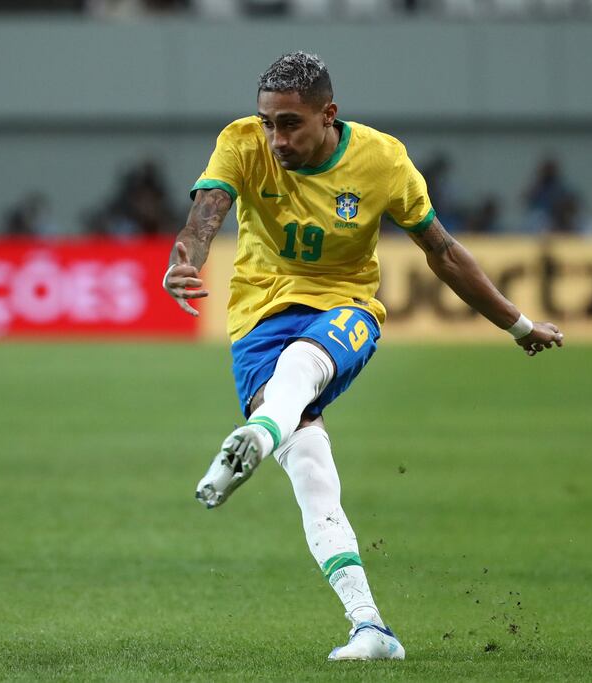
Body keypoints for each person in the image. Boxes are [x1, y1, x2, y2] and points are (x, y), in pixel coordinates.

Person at [162, 52, 564, 662]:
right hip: (255, 320)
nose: (276, 138)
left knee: (303, 362)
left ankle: (259, 432)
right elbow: (204, 217)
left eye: (290, 124)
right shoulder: (241, 143)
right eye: (268, 122)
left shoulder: (381, 160)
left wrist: (519, 324)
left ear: (329, 115)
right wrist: (184, 258)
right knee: (314, 475)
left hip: (343, 310)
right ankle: (371, 628)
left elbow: (445, 253)